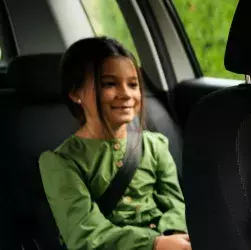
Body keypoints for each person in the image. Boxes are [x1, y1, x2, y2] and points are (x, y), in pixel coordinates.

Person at [38, 37, 191, 250]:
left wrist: (175, 236)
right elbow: (85, 234)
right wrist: (154, 244)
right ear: (75, 93)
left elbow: (175, 203)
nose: (126, 94)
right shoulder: (61, 163)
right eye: (109, 84)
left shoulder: (155, 145)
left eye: (133, 84)